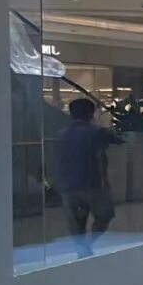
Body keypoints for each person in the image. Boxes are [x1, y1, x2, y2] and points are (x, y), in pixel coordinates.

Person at [57, 98, 119, 259]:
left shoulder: (62, 134)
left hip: (68, 184)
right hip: (93, 183)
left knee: (76, 223)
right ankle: (88, 244)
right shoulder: (97, 132)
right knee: (105, 214)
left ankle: (81, 250)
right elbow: (104, 153)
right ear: (91, 113)